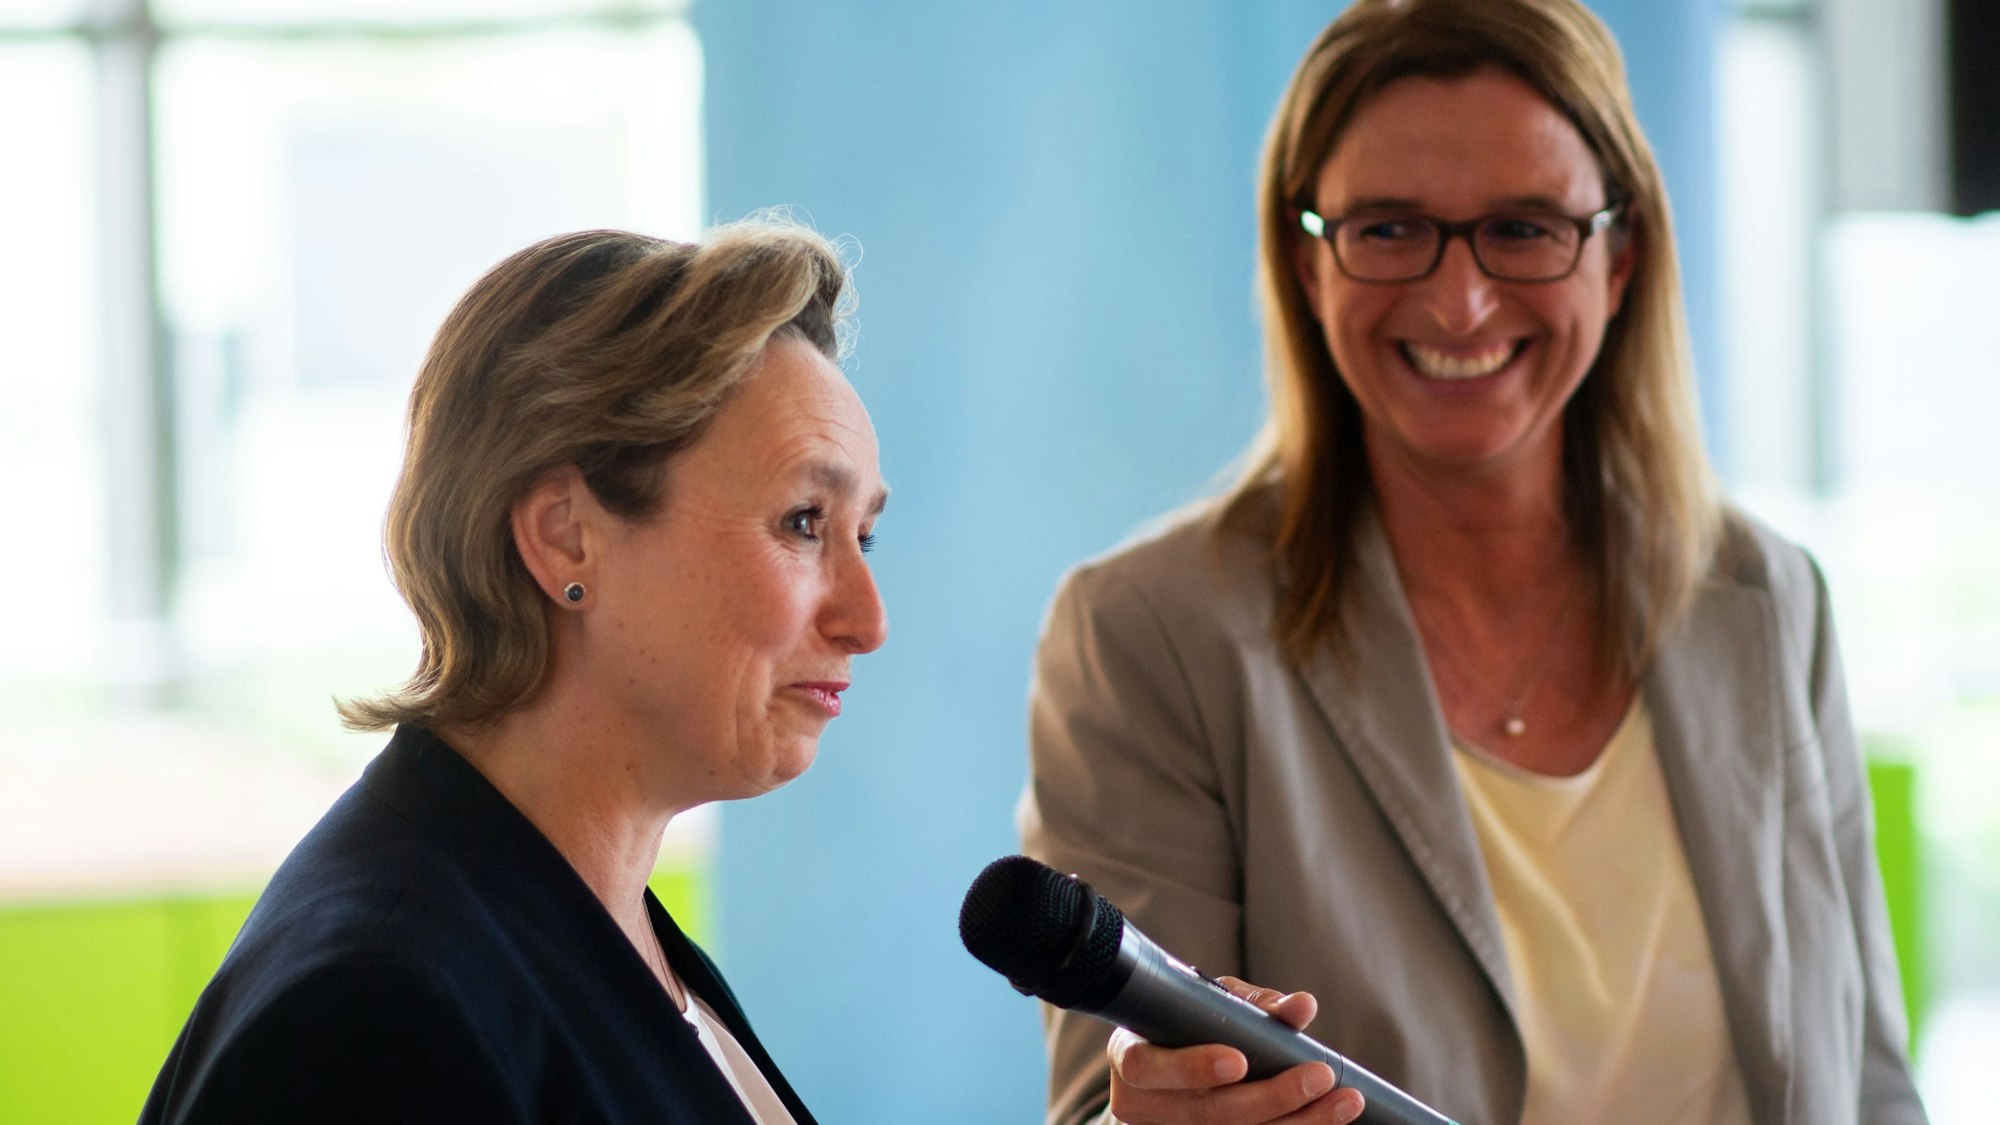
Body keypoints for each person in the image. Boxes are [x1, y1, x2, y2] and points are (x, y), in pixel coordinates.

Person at [1020, 1, 1927, 1123]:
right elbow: (1100, 1107)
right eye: (1390, 229)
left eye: (1523, 227)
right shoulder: (1151, 635)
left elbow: (1871, 1085)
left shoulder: (1765, 598)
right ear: (1307, 265)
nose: (1458, 299)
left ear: (1619, 253)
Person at [141, 219, 887, 1123]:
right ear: (564, 534)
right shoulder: (378, 1020)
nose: (867, 621)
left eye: (865, 534)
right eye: (804, 521)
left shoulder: (602, 925)